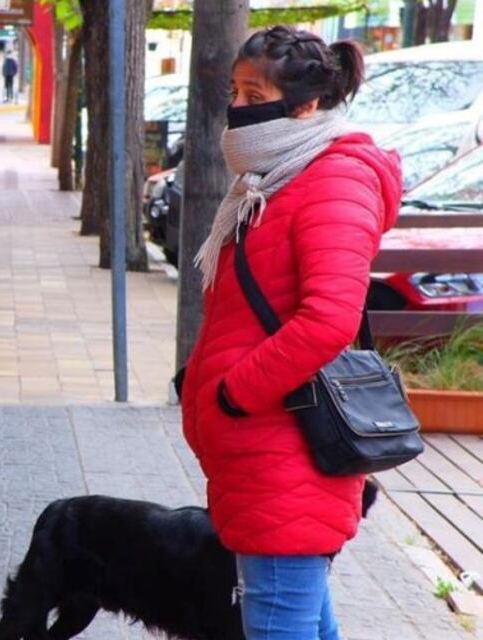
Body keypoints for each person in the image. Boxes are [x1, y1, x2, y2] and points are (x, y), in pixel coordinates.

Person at [178, 26, 401, 640]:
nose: (239, 108)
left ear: (306, 104)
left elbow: (328, 318)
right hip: (261, 454)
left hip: (285, 450)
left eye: (255, 94)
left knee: (279, 623)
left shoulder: (333, 178)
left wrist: (232, 394)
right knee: (301, 622)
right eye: (236, 92)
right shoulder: (273, 178)